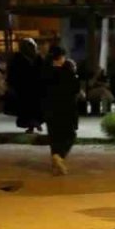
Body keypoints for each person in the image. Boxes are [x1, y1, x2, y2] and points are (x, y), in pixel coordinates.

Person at [41, 45, 80, 175]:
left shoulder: (45, 72)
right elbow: (75, 89)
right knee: (69, 135)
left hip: (49, 110)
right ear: (61, 57)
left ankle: (55, 165)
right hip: (66, 110)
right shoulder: (66, 72)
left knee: (54, 137)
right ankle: (59, 156)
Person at [7, 38, 44, 133]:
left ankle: (34, 123)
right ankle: (32, 124)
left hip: (36, 88)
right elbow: (12, 74)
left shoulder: (38, 59)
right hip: (23, 89)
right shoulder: (17, 59)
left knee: (35, 108)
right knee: (26, 108)